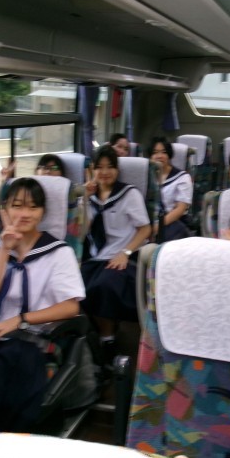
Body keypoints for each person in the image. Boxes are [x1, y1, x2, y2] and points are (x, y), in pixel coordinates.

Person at [0, 177, 84, 431]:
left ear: (43, 212)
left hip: (35, 338)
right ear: (5, 209)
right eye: (17, 206)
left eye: (33, 207)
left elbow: (71, 307)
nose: (25, 214)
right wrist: (5, 250)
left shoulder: (59, 252)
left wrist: (20, 320)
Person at [80, 145, 151, 365]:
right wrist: (84, 200)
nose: (105, 172)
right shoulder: (87, 197)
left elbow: (145, 229)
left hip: (124, 255)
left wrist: (125, 252)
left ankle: (107, 338)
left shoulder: (129, 194)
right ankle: (95, 335)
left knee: (103, 285)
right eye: (99, 167)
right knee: (77, 288)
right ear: (92, 170)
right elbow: (81, 232)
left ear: (117, 170)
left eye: (110, 167)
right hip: (94, 257)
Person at [147, 137, 193, 242]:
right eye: (155, 152)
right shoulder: (145, 177)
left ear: (169, 155)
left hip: (170, 225)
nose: (159, 156)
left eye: (163, 152)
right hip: (147, 225)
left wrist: (157, 227)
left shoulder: (182, 177)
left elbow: (180, 209)